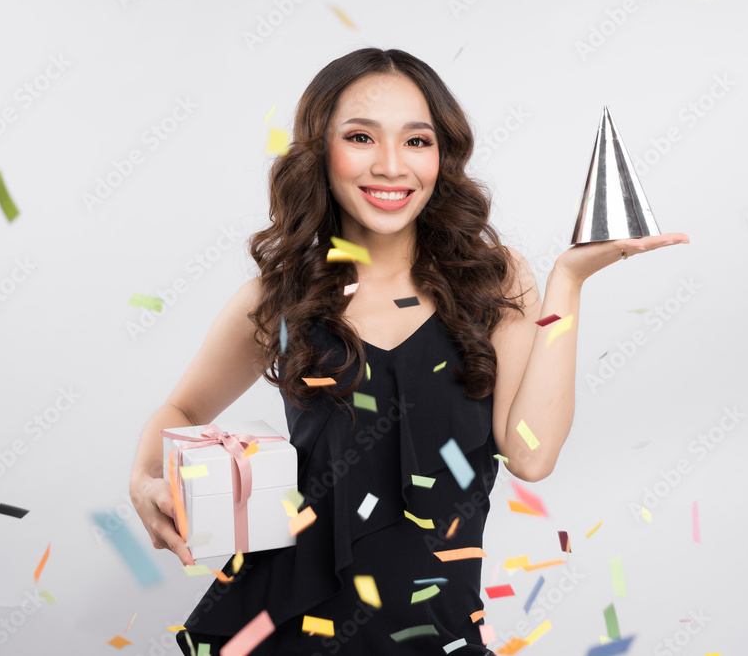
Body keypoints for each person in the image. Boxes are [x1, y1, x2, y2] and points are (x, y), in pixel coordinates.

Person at [129, 47, 689, 655]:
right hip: (286, 630)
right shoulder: (278, 297)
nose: (392, 166)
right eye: (362, 137)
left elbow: (530, 456)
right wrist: (144, 480)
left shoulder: (495, 281)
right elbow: (180, 412)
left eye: (417, 141)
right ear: (321, 150)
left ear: (441, 156)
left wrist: (569, 283)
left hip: (440, 635)